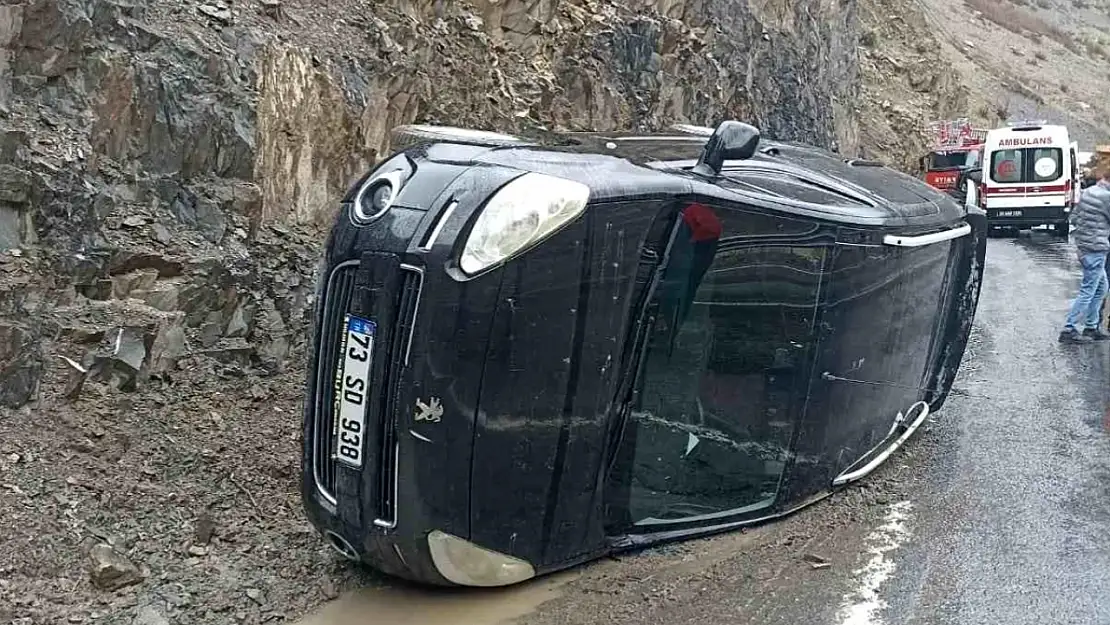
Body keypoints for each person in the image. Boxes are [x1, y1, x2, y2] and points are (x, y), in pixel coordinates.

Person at [1060, 165, 1110, 343]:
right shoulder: (1107, 197)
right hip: (1096, 248)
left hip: (1084, 246)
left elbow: (1075, 217)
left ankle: (1091, 326)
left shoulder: (1089, 192)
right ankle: (1069, 329)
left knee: (1101, 288)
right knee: (1088, 290)